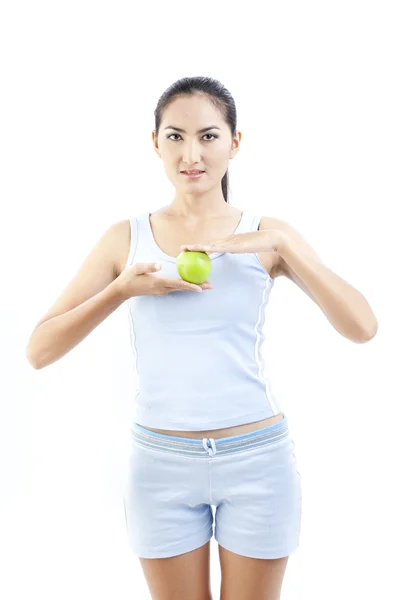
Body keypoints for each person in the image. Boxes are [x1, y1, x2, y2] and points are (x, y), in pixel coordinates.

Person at [26, 76, 377, 600]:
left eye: (209, 136)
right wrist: (121, 290)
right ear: (155, 143)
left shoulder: (266, 235)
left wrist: (282, 244)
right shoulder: (126, 237)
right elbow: (39, 350)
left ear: (235, 143)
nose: (192, 153)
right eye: (175, 136)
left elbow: (362, 327)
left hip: (257, 458)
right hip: (160, 465)